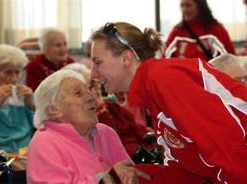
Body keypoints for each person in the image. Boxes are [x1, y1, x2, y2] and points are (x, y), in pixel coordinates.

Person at [90, 22, 247, 183]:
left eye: (98, 62)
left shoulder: (163, 79)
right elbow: (188, 173)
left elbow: (229, 147)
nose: (93, 74)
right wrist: (131, 175)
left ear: (126, 58)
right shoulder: (152, 95)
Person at [26, 69, 151, 183]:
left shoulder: (106, 132)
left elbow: (131, 173)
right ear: (53, 110)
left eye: (88, 90)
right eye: (78, 93)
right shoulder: (44, 143)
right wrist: (109, 179)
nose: (91, 97)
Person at [0, 44, 35, 169]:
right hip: (3, 154)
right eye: (8, 72)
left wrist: (32, 104)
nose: (14, 79)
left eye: (17, 72)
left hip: (29, 149)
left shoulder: (22, 95)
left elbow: (38, 126)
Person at [165, 0, 235, 61]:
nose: (184, 9)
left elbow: (230, 60)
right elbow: (165, 57)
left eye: (188, 5)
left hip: (208, 75)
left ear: (200, 7)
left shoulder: (216, 29)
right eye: (182, 5)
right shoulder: (177, 31)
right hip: (182, 75)